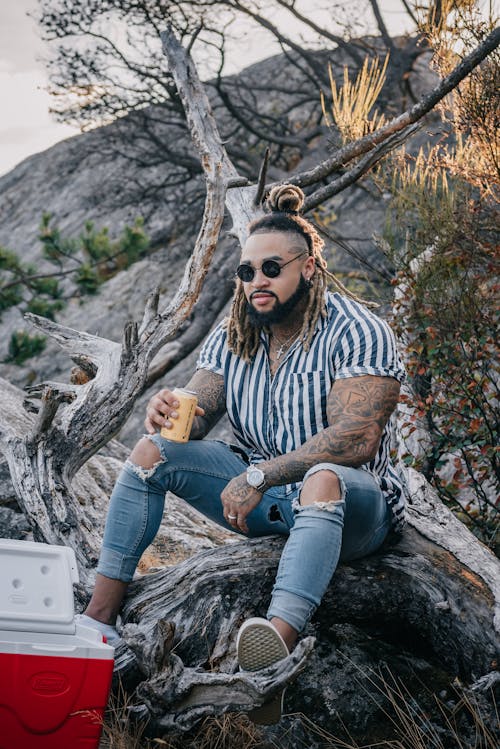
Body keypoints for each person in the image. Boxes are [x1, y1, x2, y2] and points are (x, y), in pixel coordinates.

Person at [78, 183, 406, 719]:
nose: (257, 281)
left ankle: (270, 657)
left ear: (310, 269)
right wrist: (172, 409)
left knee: (323, 476)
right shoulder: (239, 328)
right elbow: (201, 405)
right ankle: (98, 619)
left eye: (271, 268)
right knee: (149, 452)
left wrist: (261, 477)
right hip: (261, 501)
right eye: (246, 271)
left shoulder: (358, 329)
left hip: (350, 511)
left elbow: (357, 437)